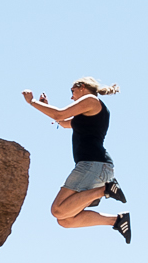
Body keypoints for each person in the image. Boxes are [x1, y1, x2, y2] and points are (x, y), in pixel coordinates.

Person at [22, 77, 131, 243]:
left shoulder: (91, 100)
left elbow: (59, 113)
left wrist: (32, 101)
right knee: (65, 220)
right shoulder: (87, 114)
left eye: (72, 91)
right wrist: (45, 106)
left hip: (93, 165)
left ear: (82, 87)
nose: (71, 97)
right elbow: (63, 122)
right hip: (97, 167)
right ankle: (117, 220)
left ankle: (106, 189)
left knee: (57, 210)